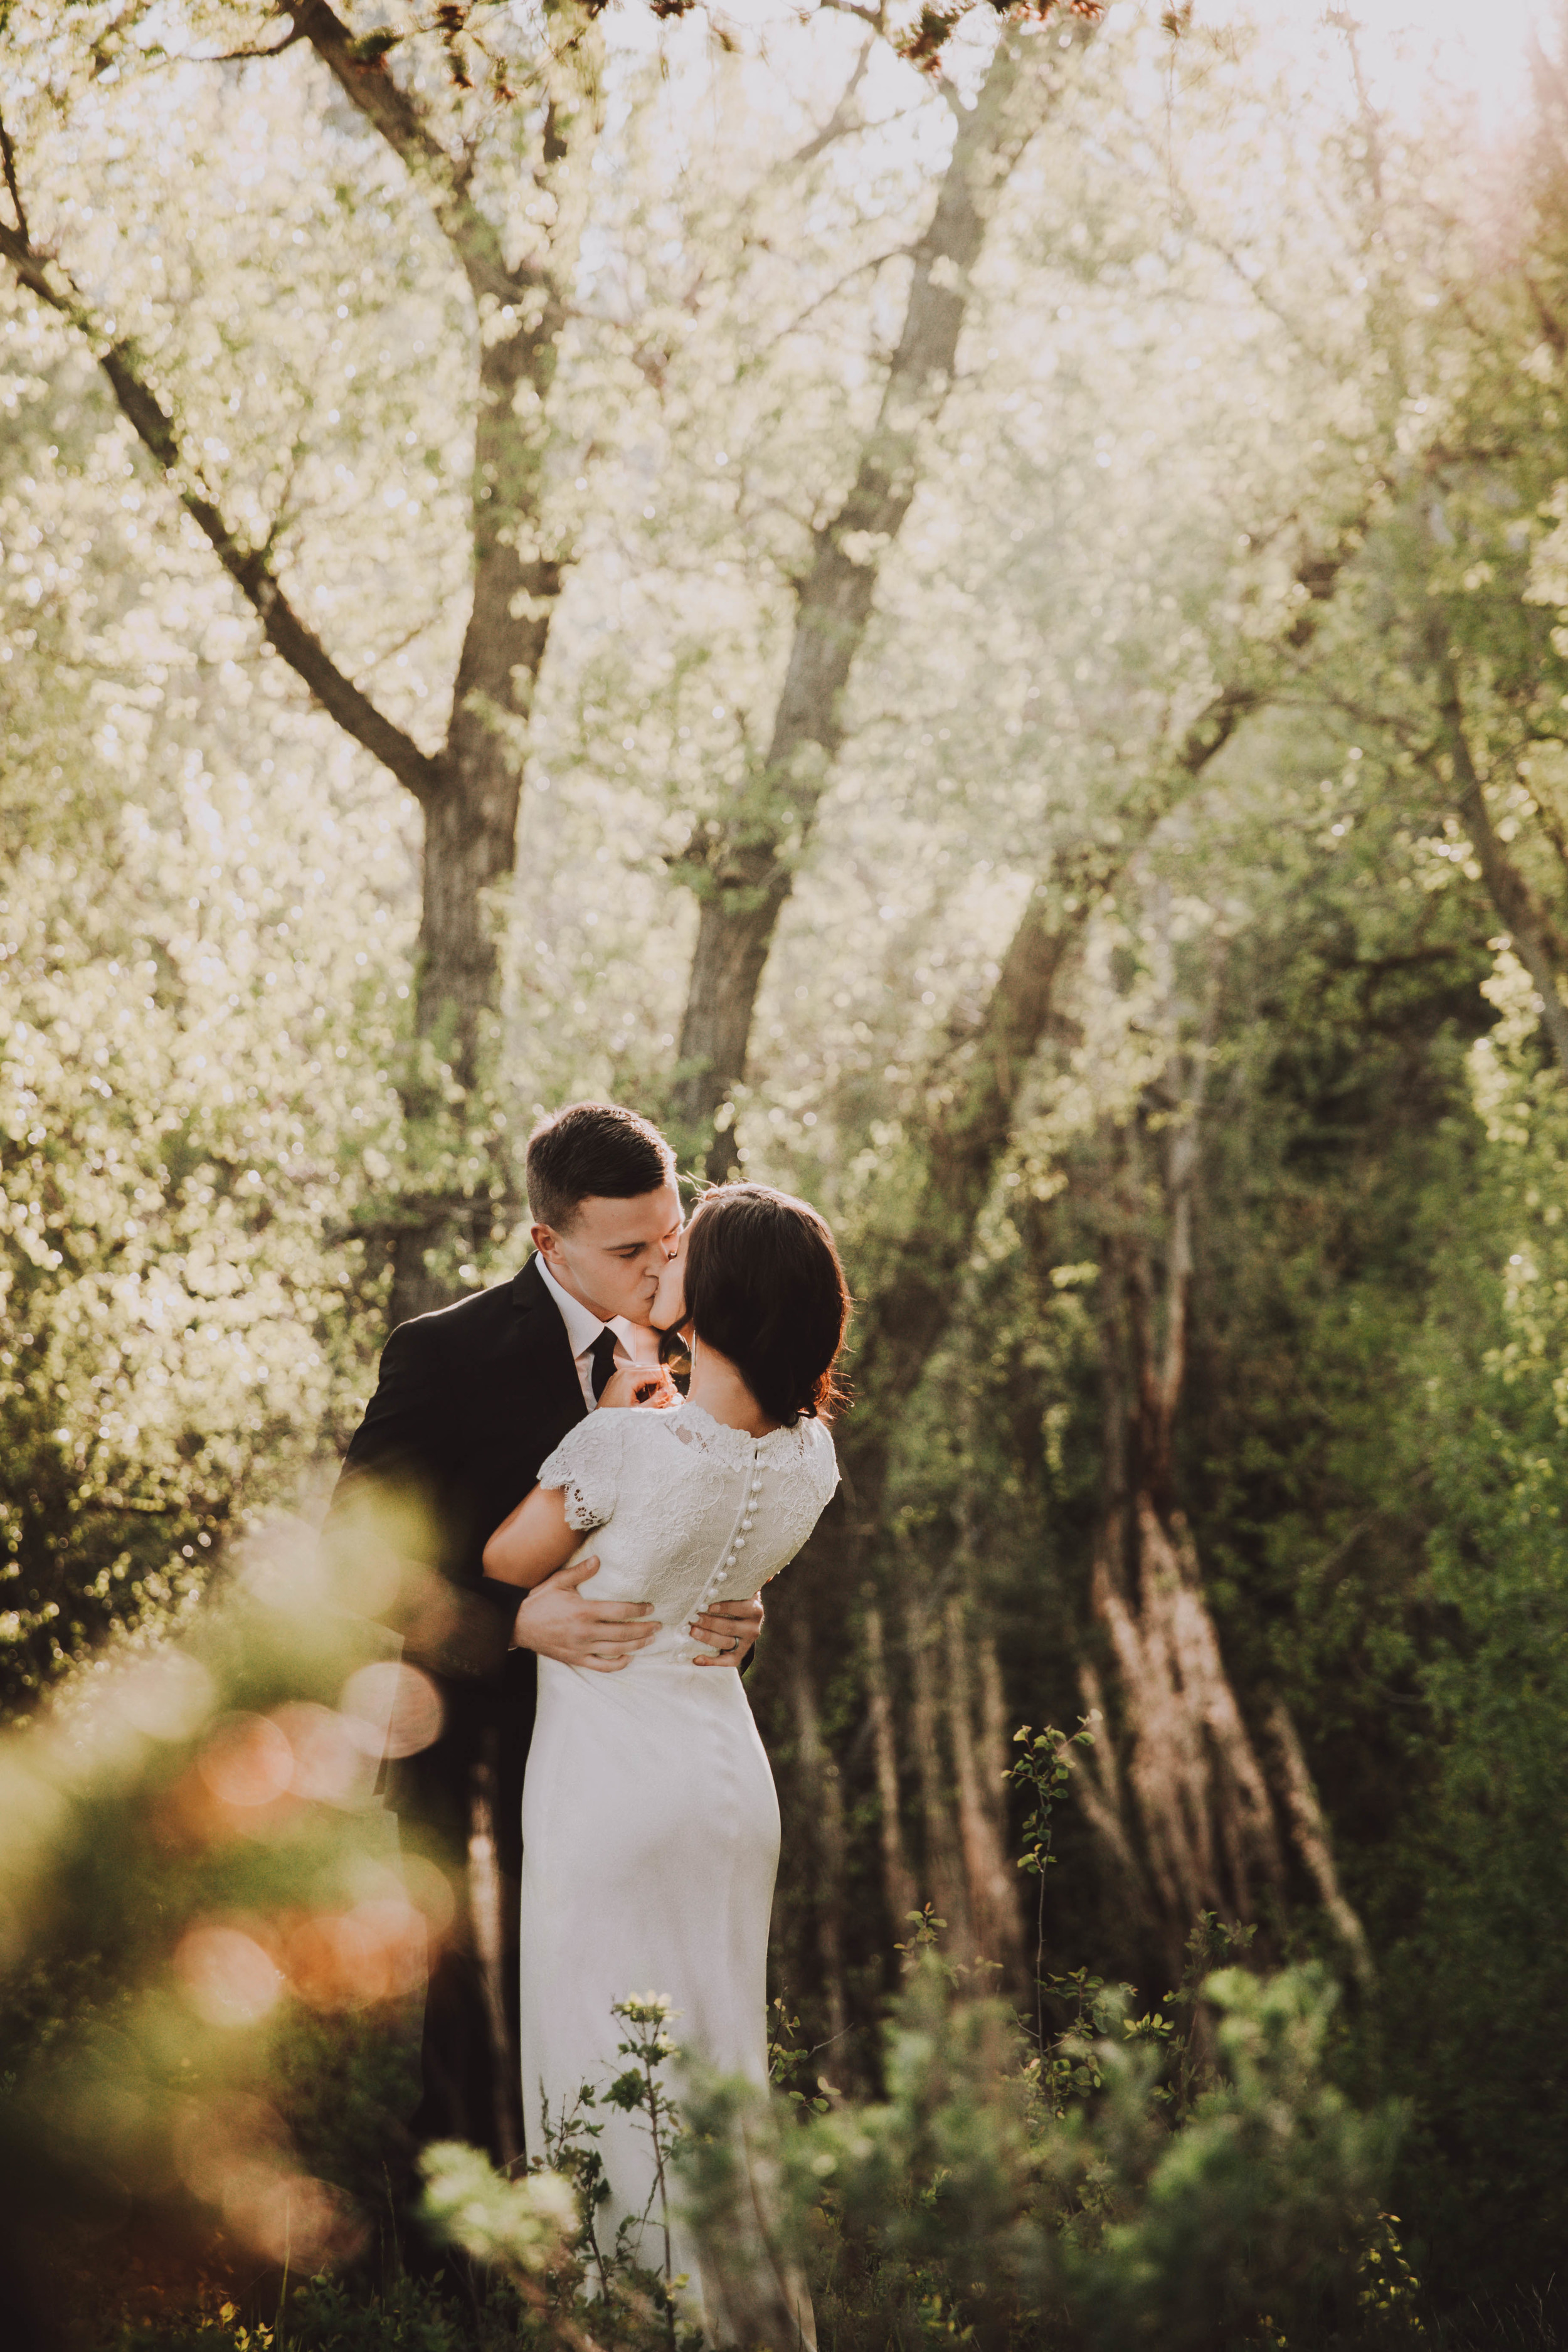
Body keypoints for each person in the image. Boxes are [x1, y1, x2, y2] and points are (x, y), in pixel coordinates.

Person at [328, 1104, 765, 2166]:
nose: (659, 1263)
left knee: (641, 2022)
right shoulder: (444, 1352)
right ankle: (470, 2302)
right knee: (482, 2046)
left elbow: (717, 1520)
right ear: (546, 1242)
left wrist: (741, 1607)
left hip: (644, 1757)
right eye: (627, 1249)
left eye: (668, 1237)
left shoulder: (707, 1345)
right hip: (489, 1755)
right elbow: (355, 1555)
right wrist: (514, 1617)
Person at [482, 1182, 850, 2348]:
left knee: (598, 2062)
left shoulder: (623, 1440)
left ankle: (621, 2321)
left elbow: (506, 1557)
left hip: (613, 1777)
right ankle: (737, 2315)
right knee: (716, 2060)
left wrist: (620, 1409)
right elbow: (725, 1572)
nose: (665, 1253)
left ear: (723, 1294)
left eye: (686, 1244)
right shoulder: (813, 1457)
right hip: (729, 1784)